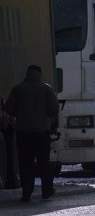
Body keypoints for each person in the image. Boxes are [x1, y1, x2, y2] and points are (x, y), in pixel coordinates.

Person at [5, 64, 60, 202]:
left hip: (24, 133)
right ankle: (46, 190)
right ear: (39, 74)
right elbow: (54, 110)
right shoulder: (46, 89)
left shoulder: (18, 89)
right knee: (43, 163)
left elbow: (9, 108)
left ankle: (27, 192)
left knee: (25, 164)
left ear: (27, 74)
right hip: (42, 133)